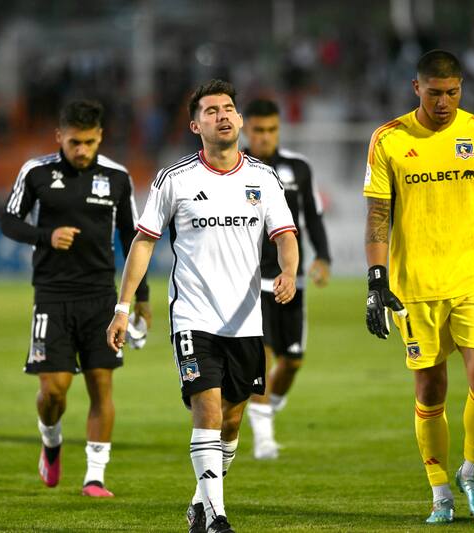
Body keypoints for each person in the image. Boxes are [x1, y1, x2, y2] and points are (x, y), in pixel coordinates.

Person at [107, 79, 299, 533]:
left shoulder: (263, 178)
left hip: (246, 320)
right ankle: (217, 517)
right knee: (208, 412)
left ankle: (200, 501)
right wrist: (123, 307)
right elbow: (143, 242)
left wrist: (289, 271)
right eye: (211, 111)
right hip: (193, 317)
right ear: (196, 126)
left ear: (239, 119)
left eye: (228, 108)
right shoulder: (175, 179)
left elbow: (285, 235)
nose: (223, 115)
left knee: (231, 422)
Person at [362, 50, 474, 524]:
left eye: (452, 93)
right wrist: (376, 280)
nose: (443, 103)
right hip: (415, 285)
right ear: (417, 88)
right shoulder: (389, 139)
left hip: (473, 278)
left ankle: (471, 470)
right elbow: (378, 213)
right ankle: (440, 492)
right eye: (434, 93)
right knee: (431, 389)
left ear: (461, 89)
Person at [1, 99, 151, 498]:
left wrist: (141, 297)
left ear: (100, 136)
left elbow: (132, 237)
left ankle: (95, 477)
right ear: (59, 137)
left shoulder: (117, 177)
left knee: (102, 386)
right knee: (54, 391)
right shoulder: (36, 172)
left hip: (101, 296)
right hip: (51, 295)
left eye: (88, 142)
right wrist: (45, 236)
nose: (81, 150)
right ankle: (51, 441)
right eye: (73, 143)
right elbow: (8, 221)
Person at [241, 98, 332, 460]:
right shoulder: (235, 167)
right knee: (261, 358)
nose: (264, 136)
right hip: (249, 280)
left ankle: (264, 412)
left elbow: (313, 216)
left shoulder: (299, 168)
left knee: (292, 360)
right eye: (258, 130)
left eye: (271, 130)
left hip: (290, 278)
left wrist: (323, 257)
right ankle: (264, 439)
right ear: (247, 130)